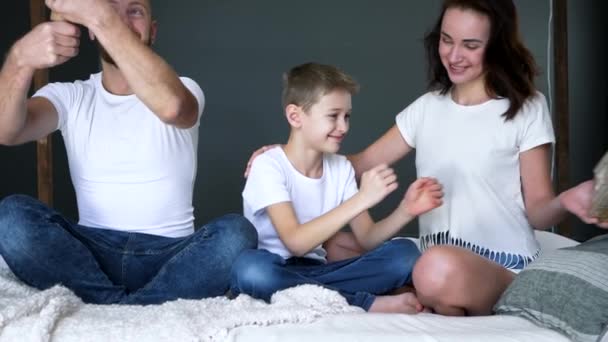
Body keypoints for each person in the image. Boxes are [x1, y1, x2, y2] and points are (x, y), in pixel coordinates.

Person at [245, 0, 607, 316]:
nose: (453, 55)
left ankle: (431, 292)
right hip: (431, 259)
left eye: (470, 45)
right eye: (447, 41)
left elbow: (539, 209)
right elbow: (355, 165)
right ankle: (426, 296)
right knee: (338, 245)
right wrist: (287, 155)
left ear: (495, 48)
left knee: (432, 267)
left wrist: (566, 201)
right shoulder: (426, 109)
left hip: (497, 265)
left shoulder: (527, 108)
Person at [0, 0, 257, 305]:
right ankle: (133, 308)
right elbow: (7, 130)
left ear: (153, 31)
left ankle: (109, 307)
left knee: (237, 234)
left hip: (171, 255)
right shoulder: (70, 96)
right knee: (10, 217)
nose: (119, 20)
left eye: (134, 11)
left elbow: (174, 107)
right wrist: (20, 59)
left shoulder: (184, 88)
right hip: (92, 255)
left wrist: (102, 18)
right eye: (111, 10)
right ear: (93, 32)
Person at [230, 62, 443, 313]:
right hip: (275, 267)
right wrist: (362, 199)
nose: (344, 127)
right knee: (250, 270)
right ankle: (364, 301)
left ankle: (323, 294)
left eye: (347, 116)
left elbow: (367, 238)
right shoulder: (268, 165)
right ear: (295, 116)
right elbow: (296, 243)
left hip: (320, 270)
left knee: (405, 254)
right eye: (333, 116)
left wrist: (406, 210)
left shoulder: (340, 168)